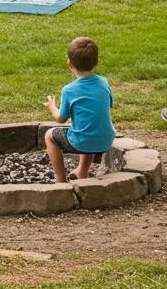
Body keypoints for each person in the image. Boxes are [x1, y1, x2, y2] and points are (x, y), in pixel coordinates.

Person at [44, 37, 116, 183]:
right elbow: (107, 104)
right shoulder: (104, 82)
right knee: (86, 127)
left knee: (49, 136)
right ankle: (82, 171)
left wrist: (52, 107)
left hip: (83, 142)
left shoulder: (69, 90)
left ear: (69, 63)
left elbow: (61, 119)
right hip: (106, 140)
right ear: (97, 61)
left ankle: (60, 179)